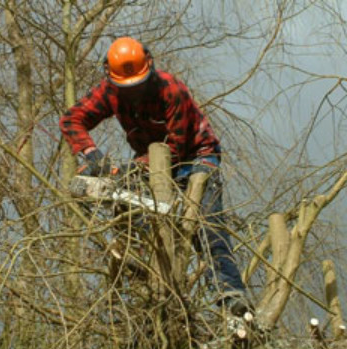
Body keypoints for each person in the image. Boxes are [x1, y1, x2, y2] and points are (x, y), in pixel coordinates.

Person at [59, 37, 251, 315]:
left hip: (195, 158)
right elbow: (71, 119)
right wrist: (92, 155)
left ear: (149, 69)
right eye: (127, 88)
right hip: (151, 164)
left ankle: (231, 294)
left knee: (207, 227)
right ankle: (145, 258)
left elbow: (176, 146)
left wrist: (131, 169)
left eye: (137, 87)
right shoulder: (110, 91)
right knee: (109, 197)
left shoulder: (170, 89)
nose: (132, 94)